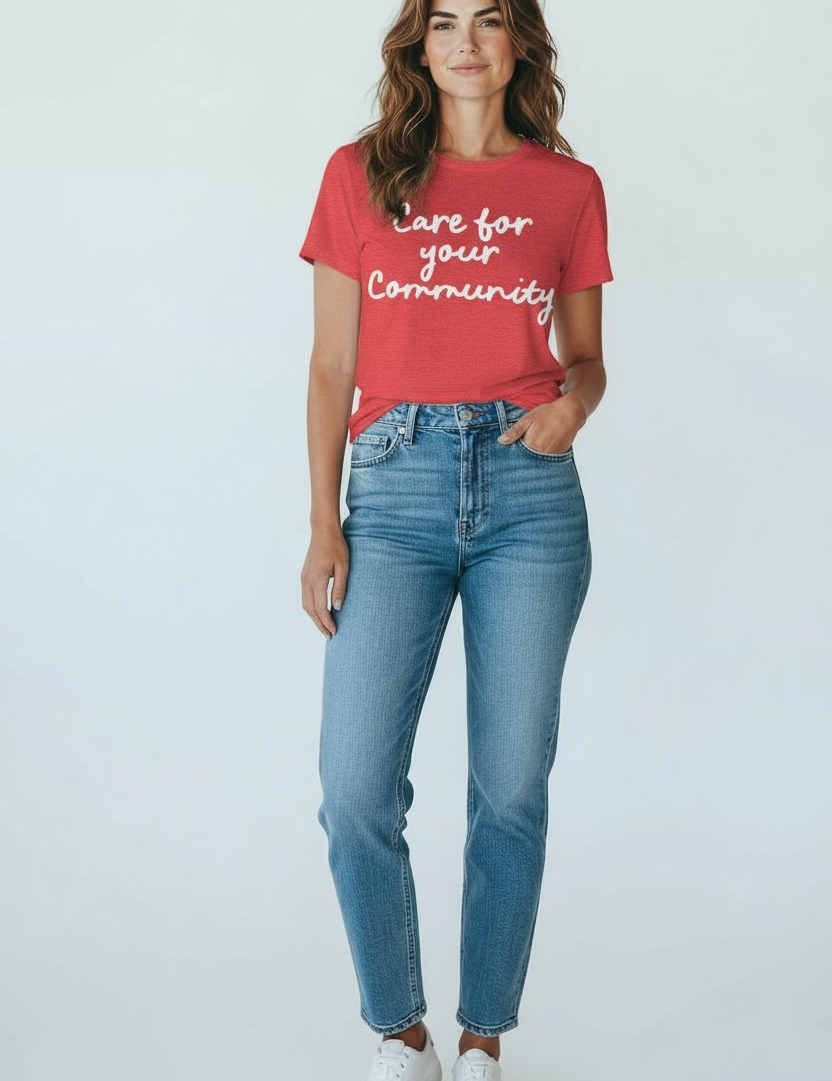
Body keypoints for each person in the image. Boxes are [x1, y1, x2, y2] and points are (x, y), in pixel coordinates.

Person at [298, 0, 613, 1076]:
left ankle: (482, 1037)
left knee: (511, 783)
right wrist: (319, 522)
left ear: (518, 42)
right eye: (442, 22)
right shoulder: (359, 174)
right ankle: (403, 1032)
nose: (465, 42)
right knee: (352, 791)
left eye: (488, 20)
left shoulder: (566, 188)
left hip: (530, 494)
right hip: (391, 491)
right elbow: (332, 365)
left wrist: (574, 407)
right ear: (418, 46)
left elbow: (586, 359)